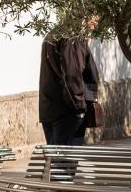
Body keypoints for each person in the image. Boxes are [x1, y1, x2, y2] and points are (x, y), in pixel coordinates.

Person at [37, 19, 101, 147]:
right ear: (84, 17)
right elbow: (72, 76)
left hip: (49, 107)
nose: (96, 25)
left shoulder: (54, 34)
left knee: (56, 158)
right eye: (95, 19)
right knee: (66, 161)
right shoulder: (72, 39)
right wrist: (79, 108)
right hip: (67, 111)